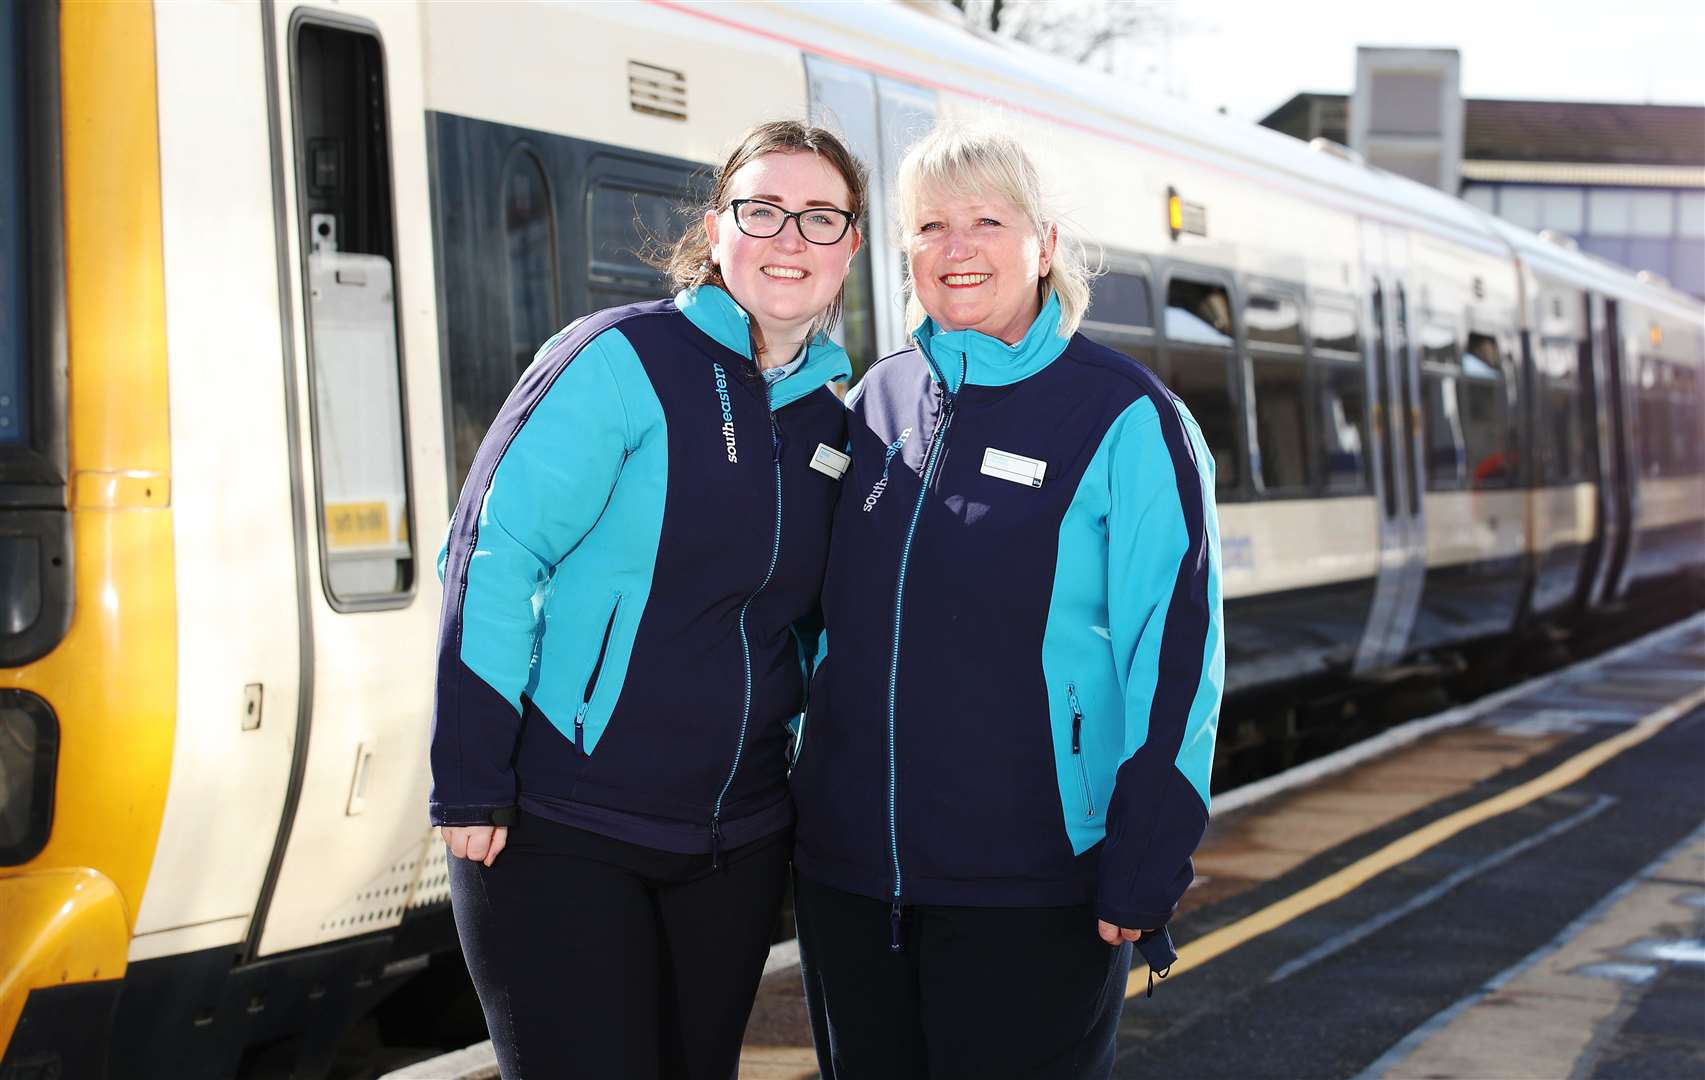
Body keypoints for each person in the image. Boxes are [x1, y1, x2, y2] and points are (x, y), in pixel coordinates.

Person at [430, 120, 867, 1080]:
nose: (789, 238)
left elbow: (829, 626)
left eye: (819, 218)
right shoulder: (622, 359)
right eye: (763, 211)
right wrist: (469, 776)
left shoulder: (837, 421)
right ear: (717, 231)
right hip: (565, 826)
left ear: (851, 247)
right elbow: (491, 553)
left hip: (738, 841)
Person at [790, 122, 1224, 1079]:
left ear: (1046, 243)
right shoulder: (873, 403)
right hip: (853, 879)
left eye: (986, 219)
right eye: (930, 225)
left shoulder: (1123, 415)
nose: (956, 248)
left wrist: (1146, 855)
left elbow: (1176, 651)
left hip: (1032, 883)